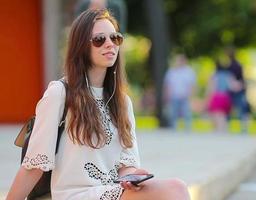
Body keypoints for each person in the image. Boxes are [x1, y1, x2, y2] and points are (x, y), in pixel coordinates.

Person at [6, 9, 190, 200]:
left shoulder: (122, 102)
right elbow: (34, 166)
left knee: (176, 188)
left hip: (111, 190)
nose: (110, 44)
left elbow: (126, 165)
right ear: (81, 46)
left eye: (115, 38)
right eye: (99, 39)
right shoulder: (59, 93)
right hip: (74, 194)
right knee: (175, 189)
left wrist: (133, 177)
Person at [163, 54, 196, 130]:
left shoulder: (189, 72)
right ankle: (173, 129)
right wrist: (167, 95)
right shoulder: (171, 72)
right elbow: (168, 85)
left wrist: (191, 95)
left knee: (187, 114)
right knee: (173, 115)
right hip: (174, 96)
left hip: (185, 96)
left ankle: (188, 129)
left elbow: (192, 85)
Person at [207, 61, 240, 133]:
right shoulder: (229, 75)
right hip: (226, 96)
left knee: (216, 114)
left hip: (217, 96)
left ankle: (219, 130)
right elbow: (233, 86)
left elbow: (211, 88)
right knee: (223, 115)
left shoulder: (214, 75)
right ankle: (224, 129)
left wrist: (208, 98)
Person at [226, 47, 250, 134]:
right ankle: (243, 128)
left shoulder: (230, 66)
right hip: (238, 89)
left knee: (233, 109)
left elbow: (231, 79)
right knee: (241, 109)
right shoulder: (238, 65)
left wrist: (235, 86)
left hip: (235, 90)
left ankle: (229, 127)